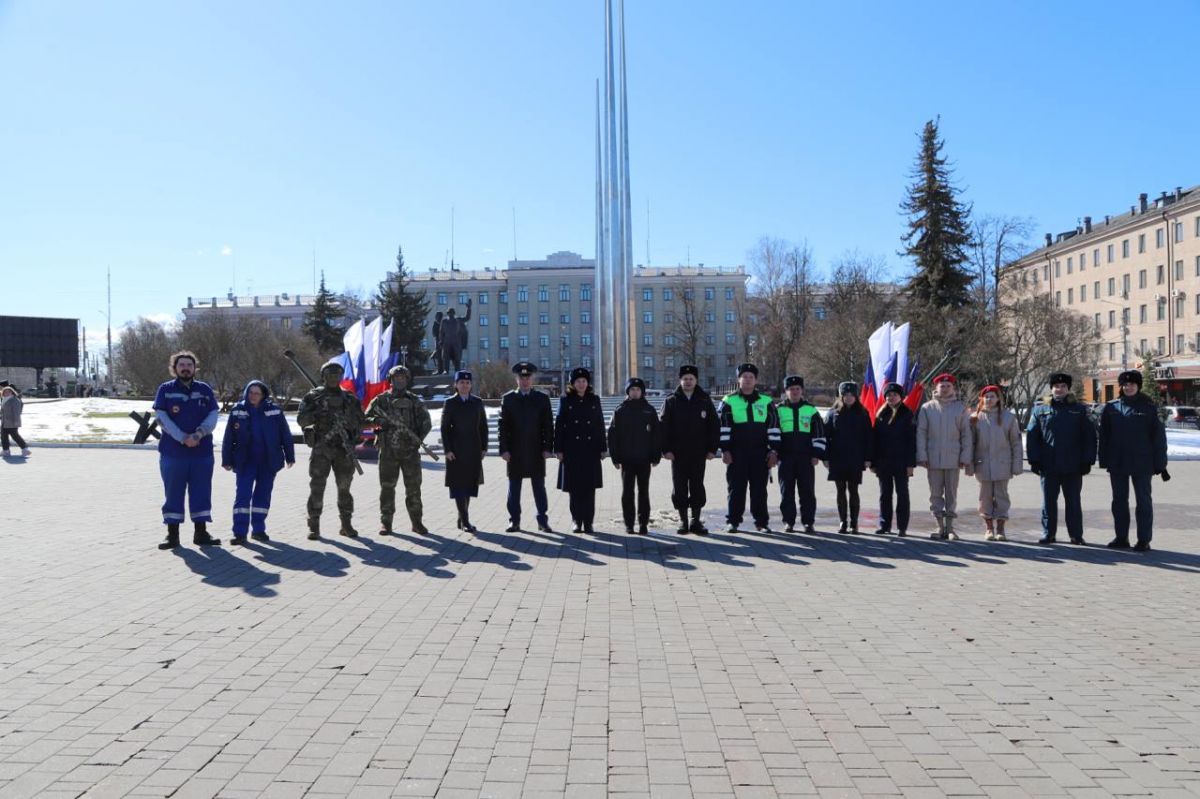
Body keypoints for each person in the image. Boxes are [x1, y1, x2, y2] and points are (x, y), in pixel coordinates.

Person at [153, 351, 221, 549]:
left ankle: (201, 533)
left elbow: (213, 415)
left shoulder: (204, 389)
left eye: (189, 365)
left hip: (201, 452)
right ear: (174, 368)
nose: (185, 368)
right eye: (181, 364)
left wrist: (199, 434)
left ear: (194, 368)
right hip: (173, 453)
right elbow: (162, 419)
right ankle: (172, 536)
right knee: (173, 492)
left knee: (201, 492)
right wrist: (183, 438)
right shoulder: (165, 390)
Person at [1099, 369, 1168, 552]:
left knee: (1143, 502)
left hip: (1142, 462)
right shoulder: (1111, 408)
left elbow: (1159, 437)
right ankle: (1121, 538)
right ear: (1121, 386)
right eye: (1125, 384)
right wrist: (1104, 459)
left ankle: (1143, 540)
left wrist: (1160, 463)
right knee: (1119, 502)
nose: (1128, 387)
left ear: (1138, 386)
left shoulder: (1149, 407)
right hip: (1118, 462)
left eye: (1132, 384)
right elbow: (1104, 435)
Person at [297, 360, 366, 540]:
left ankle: (346, 524)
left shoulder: (349, 398)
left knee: (344, 488)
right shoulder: (314, 397)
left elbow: (361, 422)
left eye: (337, 375)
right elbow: (302, 420)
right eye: (330, 375)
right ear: (324, 377)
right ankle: (314, 525)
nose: (334, 379)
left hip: (344, 450)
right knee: (317, 487)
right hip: (322, 448)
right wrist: (318, 412)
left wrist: (349, 422)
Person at [220, 380, 295, 544]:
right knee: (242, 496)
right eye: (250, 392)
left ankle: (259, 530)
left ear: (263, 395)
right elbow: (228, 438)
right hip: (245, 462)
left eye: (256, 393)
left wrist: (290, 456)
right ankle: (239, 533)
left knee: (263, 496)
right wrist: (226, 459)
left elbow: (285, 434)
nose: (253, 396)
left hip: (268, 462)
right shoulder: (237, 411)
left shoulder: (274, 410)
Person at [1025, 372, 1096, 545]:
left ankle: (1076, 535)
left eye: (1063, 386)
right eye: (1056, 386)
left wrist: (1087, 460)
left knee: (1073, 502)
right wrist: (1034, 460)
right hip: (1048, 465)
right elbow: (1032, 436)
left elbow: (1089, 437)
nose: (1059, 389)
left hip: (1073, 465)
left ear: (1068, 389)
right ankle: (1049, 533)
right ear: (1051, 388)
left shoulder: (1079, 410)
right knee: (1048, 502)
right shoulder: (1040, 410)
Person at [366, 364, 432, 536]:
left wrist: (416, 440)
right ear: (391, 380)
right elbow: (366, 419)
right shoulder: (381, 400)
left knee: (414, 488)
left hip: (410, 452)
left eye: (403, 378)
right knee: (387, 488)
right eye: (397, 378)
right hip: (388, 451)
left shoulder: (415, 401)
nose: (400, 381)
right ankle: (386, 523)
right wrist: (381, 424)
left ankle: (417, 522)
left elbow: (426, 423)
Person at [718, 363, 780, 533]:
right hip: (736, 453)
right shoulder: (729, 401)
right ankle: (733, 521)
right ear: (739, 379)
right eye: (744, 377)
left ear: (756, 380)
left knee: (759, 489)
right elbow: (722, 427)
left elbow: (774, 428)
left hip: (760, 453)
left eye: (751, 377)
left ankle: (761, 522)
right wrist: (725, 450)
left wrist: (774, 451)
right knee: (736, 489)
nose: (747, 380)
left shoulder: (766, 401)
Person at [659, 365, 720, 535]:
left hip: (698, 453)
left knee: (697, 486)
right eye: (685, 378)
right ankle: (683, 520)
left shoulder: (704, 400)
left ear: (696, 380)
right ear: (680, 380)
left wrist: (712, 449)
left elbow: (714, 426)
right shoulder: (671, 400)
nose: (688, 381)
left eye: (691, 378)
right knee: (679, 487)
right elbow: (663, 427)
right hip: (677, 454)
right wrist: (666, 450)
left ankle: (695, 520)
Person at [498, 362, 555, 533]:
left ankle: (542, 520)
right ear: (516, 379)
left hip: (536, 450)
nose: (524, 381)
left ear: (532, 379)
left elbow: (548, 426)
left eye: (527, 377)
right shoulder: (508, 399)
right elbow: (503, 427)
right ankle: (514, 521)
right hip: (515, 452)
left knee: (539, 487)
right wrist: (504, 449)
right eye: (521, 378)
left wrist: (547, 448)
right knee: (514, 488)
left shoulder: (542, 399)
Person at [916, 373, 972, 540]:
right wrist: (922, 455)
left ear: (953, 388)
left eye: (948, 386)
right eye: (942, 386)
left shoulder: (960, 408)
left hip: (953, 458)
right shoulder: (927, 408)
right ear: (936, 388)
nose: (945, 388)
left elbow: (966, 435)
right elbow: (921, 433)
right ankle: (939, 527)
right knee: (935, 493)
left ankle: (950, 528)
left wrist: (965, 457)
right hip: (932, 458)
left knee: (951, 493)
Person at [555, 367, 607, 534]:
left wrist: (603, 448)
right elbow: (559, 426)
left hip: (591, 450)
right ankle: (577, 520)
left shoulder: (594, 400)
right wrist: (558, 449)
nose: (581, 384)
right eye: (578, 381)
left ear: (587, 383)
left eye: (584, 381)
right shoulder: (565, 400)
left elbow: (600, 425)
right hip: (572, 450)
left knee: (589, 488)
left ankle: (589, 522)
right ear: (573, 384)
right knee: (575, 488)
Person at [608, 377, 662, 535]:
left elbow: (656, 435)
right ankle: (629, 524)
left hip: (644, 459)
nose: (635, 392)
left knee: (643, 492)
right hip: (626, 459)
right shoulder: (620, 410)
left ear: (642, 392)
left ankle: (643, 523)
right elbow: (613, 436)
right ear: (628, 392)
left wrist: (655, 456)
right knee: (627, 492)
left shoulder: (649, 410)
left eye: (638, 389)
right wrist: (615, 458)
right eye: (632, 389)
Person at [969, 385, 1022, 541]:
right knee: (985, 497)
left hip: (1002, 464)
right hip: (982, 464)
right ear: (981, 398)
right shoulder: (975, 418)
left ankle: (1000, 528)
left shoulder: (1008, 418)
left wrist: (1016, 464)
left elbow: (1016, 443)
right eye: (986, 397)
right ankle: (989, 528)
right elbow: (970, 443)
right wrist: (969, 464)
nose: (989, 399)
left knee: (1001, 496)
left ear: (998, 399)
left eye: (992, 396)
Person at [776, 375, 825, 534]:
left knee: (807, 492)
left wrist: (816, 453)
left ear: (802, 390)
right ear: (786, 391)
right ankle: (788, 522)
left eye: (797, 389)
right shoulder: (779, 410)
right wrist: (774, 452)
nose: (795, 391)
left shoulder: (810, 410)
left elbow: (819, 433)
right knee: (786, 492)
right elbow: (773, 432)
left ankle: (808, 522)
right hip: (785, 458)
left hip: (806, 458)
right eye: (791, 389)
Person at [441, 369, 488, 533]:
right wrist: (447, 450)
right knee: (458, 485)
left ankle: (462, 517)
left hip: (474, 450)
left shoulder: (477, 402)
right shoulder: (450, 402)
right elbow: (444, 428)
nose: (465, 385)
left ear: (471, 385)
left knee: (469, 485)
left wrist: (484, 447)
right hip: (456, 451)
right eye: (461, 382)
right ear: (456, 385)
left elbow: (483, 426)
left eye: (468, 383)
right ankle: (466, 521)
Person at [823, 381, 873, 534]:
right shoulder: (833, 413)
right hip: (837, 457)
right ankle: (843, 522)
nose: (849, 398)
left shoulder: (863, 413)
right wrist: (825, 457)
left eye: (852, 395)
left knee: (853, 490)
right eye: (846, 395)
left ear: (856, 396)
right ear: (841, 396)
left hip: (855, 458)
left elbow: (868, 438)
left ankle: (854, 523)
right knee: (840, 490)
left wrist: (868, 457)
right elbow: (826, 436)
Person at [871, 383, 916, 536]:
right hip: (883, 462)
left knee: (902, 494)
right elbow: (875, 440)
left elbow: (911, 441)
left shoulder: (907, 414)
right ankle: (885, 525)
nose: (891, 397)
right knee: (885, 495)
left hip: (901, 462)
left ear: (900, 397)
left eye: (894, 395)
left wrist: (910, 464)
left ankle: (902, 526)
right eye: (888, 395)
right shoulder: (881, 414)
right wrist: (874, 462)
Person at [439, 301, 473, 374]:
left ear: (454, 313)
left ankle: (457, 370)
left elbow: (467, 318)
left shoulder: (458, 320)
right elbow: (441, 332)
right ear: (447, 314)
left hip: (456, 343)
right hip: (447, 342)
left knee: (457, 357)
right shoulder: (444, 321)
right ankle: (446, 370)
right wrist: (441, 340)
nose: (450, 314)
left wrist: (469, 308)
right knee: (446, 357)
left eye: (452, 313)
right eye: (449, 313)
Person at [0, 386, 31, 457]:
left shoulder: (15, 400)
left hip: (12, 422)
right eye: (5, 392)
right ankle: (6, 451)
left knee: (15, 436)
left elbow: (17, 412)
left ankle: (25, 449)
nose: (6, 393)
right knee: (4, 437)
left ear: (12, 392)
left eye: (8, 392)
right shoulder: (4, 399)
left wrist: (16, 422)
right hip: (4, 422)